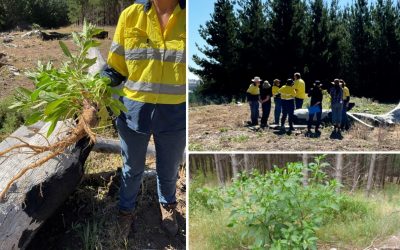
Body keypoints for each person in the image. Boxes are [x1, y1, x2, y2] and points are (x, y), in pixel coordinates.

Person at [101, 0, 186, 238]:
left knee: (168, 169)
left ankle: (167, 205)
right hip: (134, 113)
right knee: (132, 168)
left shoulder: (190, 16)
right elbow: (116, 68)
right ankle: (126, 211)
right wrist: (99, 83)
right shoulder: (130, 15)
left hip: (176, 116)